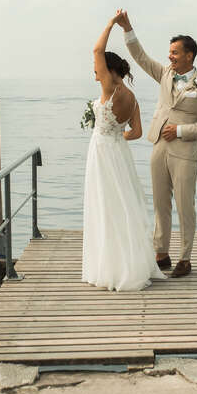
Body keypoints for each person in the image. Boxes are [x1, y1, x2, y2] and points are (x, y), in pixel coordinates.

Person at [113, 9, 197, 278]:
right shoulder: (164, 74)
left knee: (185, 205)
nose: (169, 56)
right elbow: (139, 57)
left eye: (174, 52)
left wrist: (181, 130)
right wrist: (128, 29)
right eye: (169, 52)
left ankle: (185, 258)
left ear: (189, 55)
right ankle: (161, 253)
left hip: (185, 151)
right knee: (160, 203)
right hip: (159, 145)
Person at [81, 15, 168, 291]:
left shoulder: (109, 86)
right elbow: (137, 132)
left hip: (103, 151)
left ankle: (110, 266)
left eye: (97, 69)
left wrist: (110, 25)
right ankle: (128, 260)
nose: (94, 72)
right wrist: (118, 134)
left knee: (105, 205)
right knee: (122, 204)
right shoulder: (131, 97)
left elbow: (96, 50)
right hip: (119, 152)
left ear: (107, 69)